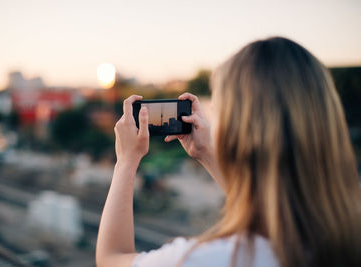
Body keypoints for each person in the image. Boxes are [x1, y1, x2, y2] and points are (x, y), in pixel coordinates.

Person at [95, 37, 361, 267]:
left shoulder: (209, 259)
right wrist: (207, 155)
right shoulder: (347, 235)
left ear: (235, 132)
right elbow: (272, 212)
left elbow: (111, 258)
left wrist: (126, 162)